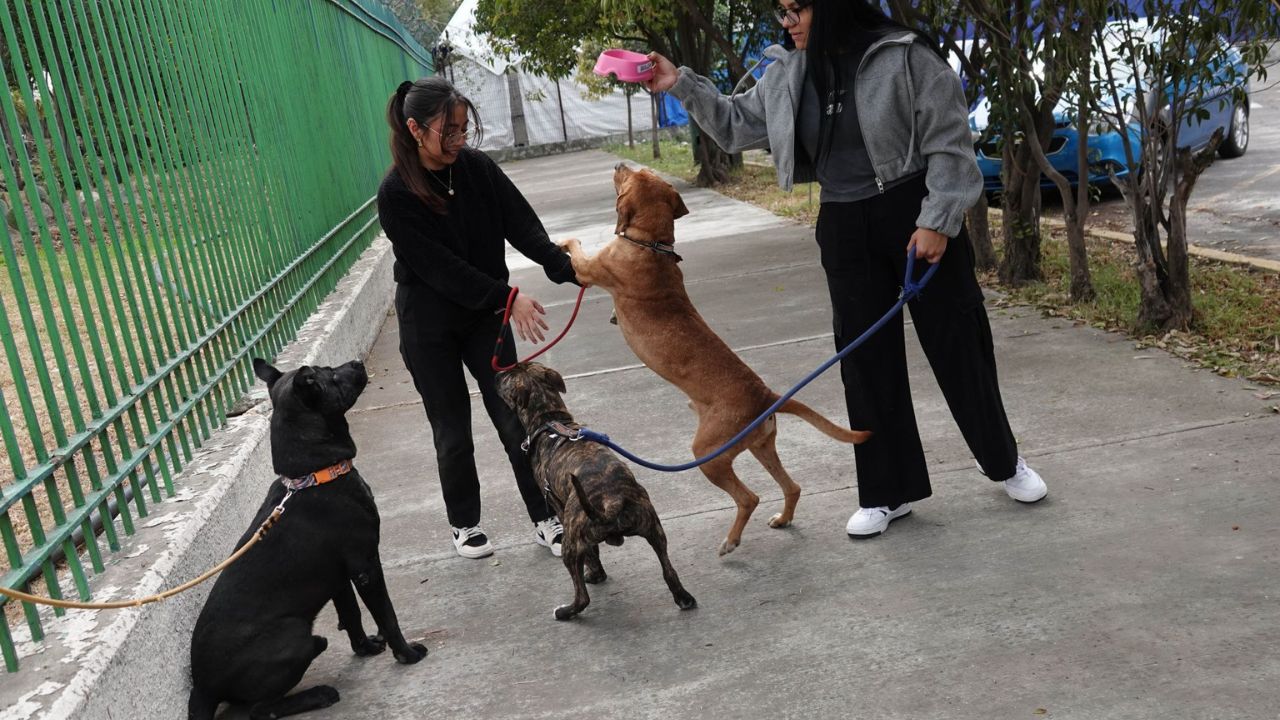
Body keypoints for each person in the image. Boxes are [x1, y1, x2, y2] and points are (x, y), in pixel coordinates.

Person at [643, 0, 1048, 539]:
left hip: (914, 211)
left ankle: (1004, 462)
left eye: (795, 10)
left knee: (959, 344)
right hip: (842, 221)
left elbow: (950, 144)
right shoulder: (789, 71)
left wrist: (938, 219)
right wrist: (680, 83)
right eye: (780, 13)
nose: (786, 24)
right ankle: (887, 491)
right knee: (864, 359)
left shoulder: (903, 57)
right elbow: (738, 127)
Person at [377, 77, 574, 559]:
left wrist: (563, 265)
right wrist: (508, 298)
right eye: (450, 131)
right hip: (429, 323)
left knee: (514, 419)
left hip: (484, 316)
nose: (460, 140)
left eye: (464, 129)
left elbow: (520, 221)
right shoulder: (396, 193)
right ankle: (464, 524)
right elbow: (442, 270)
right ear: (414, 128)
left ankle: (545, 515)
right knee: (452, 430)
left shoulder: (477, 168)